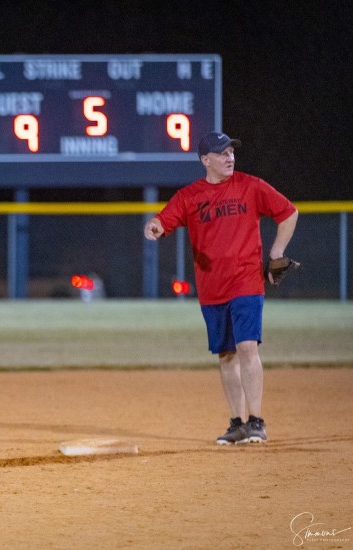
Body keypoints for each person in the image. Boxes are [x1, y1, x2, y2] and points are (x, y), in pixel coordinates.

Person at [143, 132, 298, 445]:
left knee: (247, 347)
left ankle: (256, 421)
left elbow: (288, 212)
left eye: (231, 152)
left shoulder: (250, 186)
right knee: (227, 355)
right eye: (221, 153)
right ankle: (237, 423)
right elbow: (163, 220)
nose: (229, 158)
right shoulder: (190, 196)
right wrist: (154, 226)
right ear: (205, 160)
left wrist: (276, 252)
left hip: (246, 281)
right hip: (211, 288)